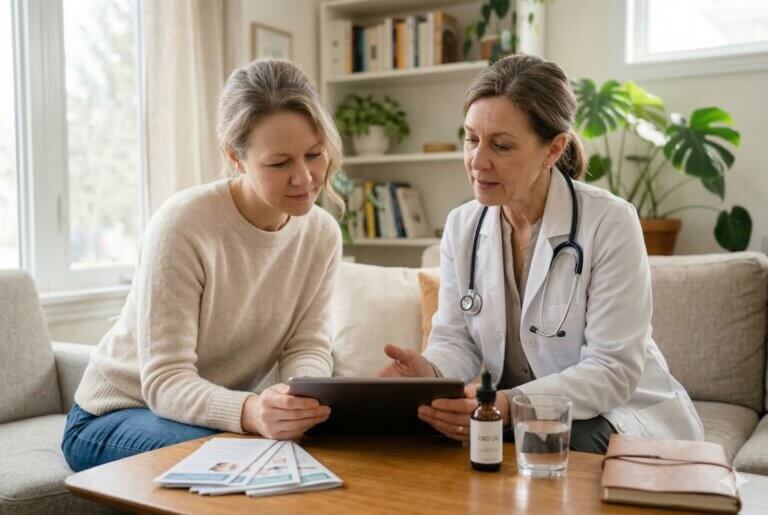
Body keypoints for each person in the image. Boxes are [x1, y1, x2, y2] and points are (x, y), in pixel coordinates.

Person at [379, 55, 703, 454]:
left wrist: (507, 405)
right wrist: (429, 372)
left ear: (553, 150)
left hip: (611, 412)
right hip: (506, 411)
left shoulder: (610, 222)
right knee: (425, 434)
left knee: (547, 441)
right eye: (471, 139)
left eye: (501, 145)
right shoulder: (463, 226)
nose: (478, 161)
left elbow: (612, 370)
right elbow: (456, 341)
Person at [62, 59, 343, 471]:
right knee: (251, 460)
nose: (304, 178)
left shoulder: (321, 234)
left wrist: (298, 401)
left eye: (315, 155)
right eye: (280, 163)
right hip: (111, 416)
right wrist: (251, 412)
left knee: (310, 452)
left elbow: (308, 346)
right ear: (235, 157)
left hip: (191, 417)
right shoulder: (183, 225)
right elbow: (165, 381)